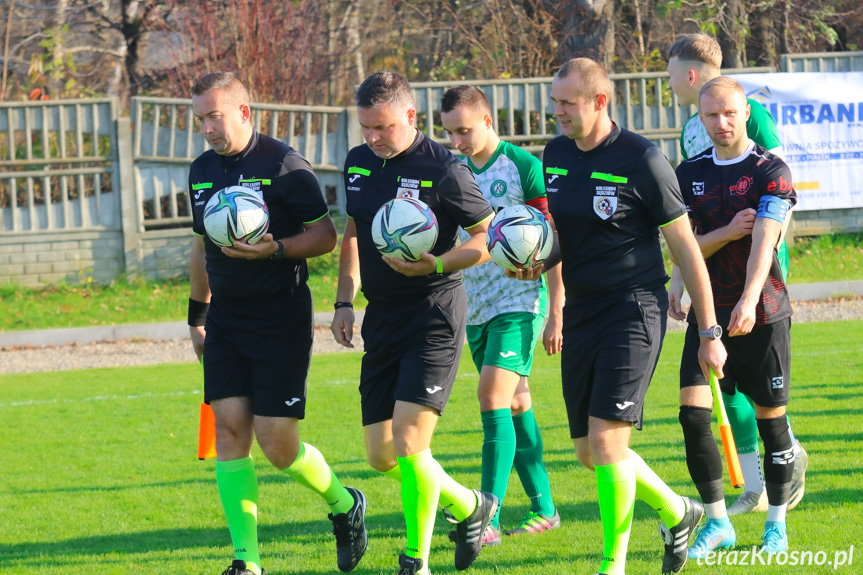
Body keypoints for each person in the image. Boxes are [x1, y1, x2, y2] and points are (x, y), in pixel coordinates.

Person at [517, 57, 727, 575]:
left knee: (611, 442)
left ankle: (614, 565)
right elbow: (565, 236)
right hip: (583, 312)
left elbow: (685, 250)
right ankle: (678, 512)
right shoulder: (557, 154)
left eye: (567, 103)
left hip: (634, 308)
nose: (557, 111)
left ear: (599, 102)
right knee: (590, 453)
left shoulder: (643, 160)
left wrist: (709, 333)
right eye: (555, 101)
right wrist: (539, 264)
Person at [188, 72, 367, 575]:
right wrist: (196, 314)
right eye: (200, 118)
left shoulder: (285, 166)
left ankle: (344, 503)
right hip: (226, 318)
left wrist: (277, 249)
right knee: (227, 430)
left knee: (276, 443)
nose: (207, 128)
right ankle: (247, 561)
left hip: (280, 316)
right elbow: (201, 245)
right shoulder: (201, 171)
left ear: (244, 112)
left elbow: (326, 236)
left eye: (214, 116)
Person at [330, 71, 498, 575]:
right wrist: (343, 300)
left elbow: (486, 238)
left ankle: (416, 560)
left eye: (382, 127)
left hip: (434, 312)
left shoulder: (444, 168)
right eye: (365, 128)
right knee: (382, 455)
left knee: (410, 443)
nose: (373, 138)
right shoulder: (358, 163)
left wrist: (438, 263)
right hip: (382, 316)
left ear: (410, 116)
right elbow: (355, 231)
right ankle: (471, 506)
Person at [666, 32, 808, 516]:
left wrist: (751, 296)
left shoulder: (770, 165)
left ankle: (775, 506)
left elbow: (766, 236)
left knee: (768, 416)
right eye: (712, 116)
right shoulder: (688, 171)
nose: (721, 123)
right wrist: (680, 282)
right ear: (700, 119)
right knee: (694, 413)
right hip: (709, 305)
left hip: (761, 301)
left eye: (730, 113)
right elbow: (685, 243)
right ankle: (718, 515)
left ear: (746, 112)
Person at [439, 85, 562, 546]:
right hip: (474, 306)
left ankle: (484, 518)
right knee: (516, 404)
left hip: (520, 302)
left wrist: (557, 310)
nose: (457, 142)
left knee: (492, 398)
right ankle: (546, 508)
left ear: (487, 120)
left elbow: (551, 240)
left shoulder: (522, 166)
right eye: (450, 133)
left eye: (464, 131)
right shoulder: (451, 170)